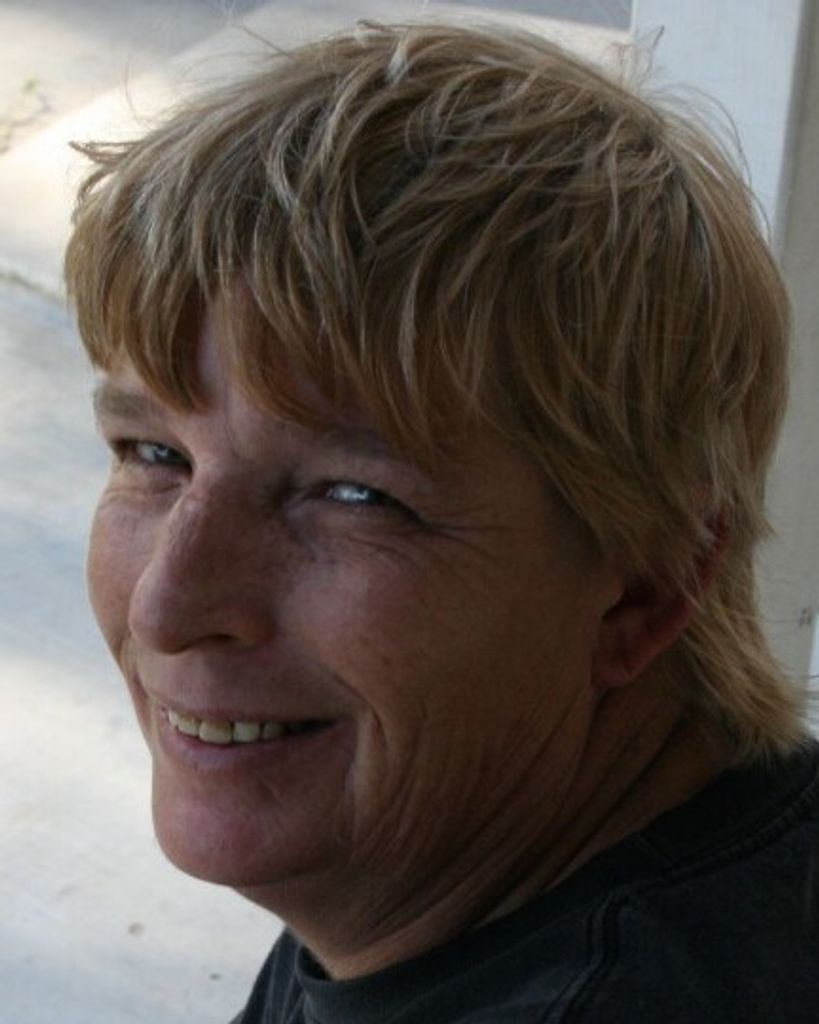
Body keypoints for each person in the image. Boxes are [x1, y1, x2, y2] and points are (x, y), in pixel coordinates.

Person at [64, 20, 819, 1023]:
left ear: (647, 586)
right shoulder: (428, 861)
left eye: (353, 495)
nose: (167, 606)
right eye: (153, 455)